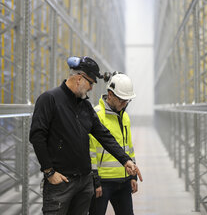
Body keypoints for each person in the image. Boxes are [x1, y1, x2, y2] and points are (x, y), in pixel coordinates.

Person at [29, 56, 142, 215]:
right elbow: (37, 136)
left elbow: (103, 135)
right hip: (61, 184)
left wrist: (125, 160)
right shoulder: (50, 99)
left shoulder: (85, 106)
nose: (91, 88)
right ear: (79, 78)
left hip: (83, 184)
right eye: (90, 83)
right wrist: (49, 172)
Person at [89, 72, 138, 215]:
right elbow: (90, 150)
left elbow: (128, 147)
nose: (124, 104)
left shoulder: (125, 117)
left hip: (123, 182)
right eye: (122, 100)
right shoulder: (97, 115)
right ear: (110, 94)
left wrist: (132, 176)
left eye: (127, 101)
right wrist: (95, 180)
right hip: (103, 182)